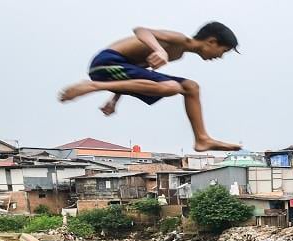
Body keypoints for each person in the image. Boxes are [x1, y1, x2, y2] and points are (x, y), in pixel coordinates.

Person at [58, 22, 241, 152]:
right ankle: (92, 86)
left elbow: (135, 71)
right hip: (107, 62)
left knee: (190, 87)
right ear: (211, 41)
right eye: (223, 51)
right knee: (172, 87)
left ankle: (202, 139)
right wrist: (159, 49)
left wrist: (114, 99)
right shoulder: (179, 40)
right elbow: (141, 30)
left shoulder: (178, 54)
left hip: (117, 68)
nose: (220, 57)